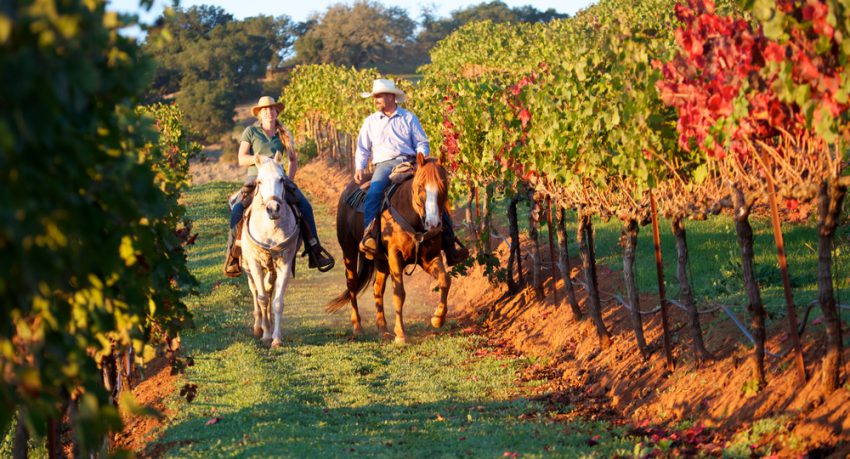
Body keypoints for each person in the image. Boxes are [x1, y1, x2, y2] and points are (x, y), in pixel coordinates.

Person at [355, 79, 468, 265]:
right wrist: (360, 167)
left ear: (391, 97)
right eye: (374, 96)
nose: (375, 99)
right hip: (384, 164)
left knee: (433, 192)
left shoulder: (408, 118)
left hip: (409, 162)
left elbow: (422, 142)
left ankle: (449, 245)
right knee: (374, 192)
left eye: (379, 96)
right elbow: (363, 148)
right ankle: (370, 236)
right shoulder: (370, 122)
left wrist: (422, 156)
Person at [224, 96, 334, 276]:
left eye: (272, 109)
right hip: (256, 179)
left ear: (276, 112)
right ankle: (234, 255)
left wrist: (288, 180)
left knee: (305, 206)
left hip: (278, 179)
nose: (269, 112)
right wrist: (259, 159)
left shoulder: (284, 133)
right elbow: (241, 158)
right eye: (264, 109)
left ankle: (314, 249)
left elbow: (292, 160)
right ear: (259, 113)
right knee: (237, 209)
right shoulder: (250, 132)